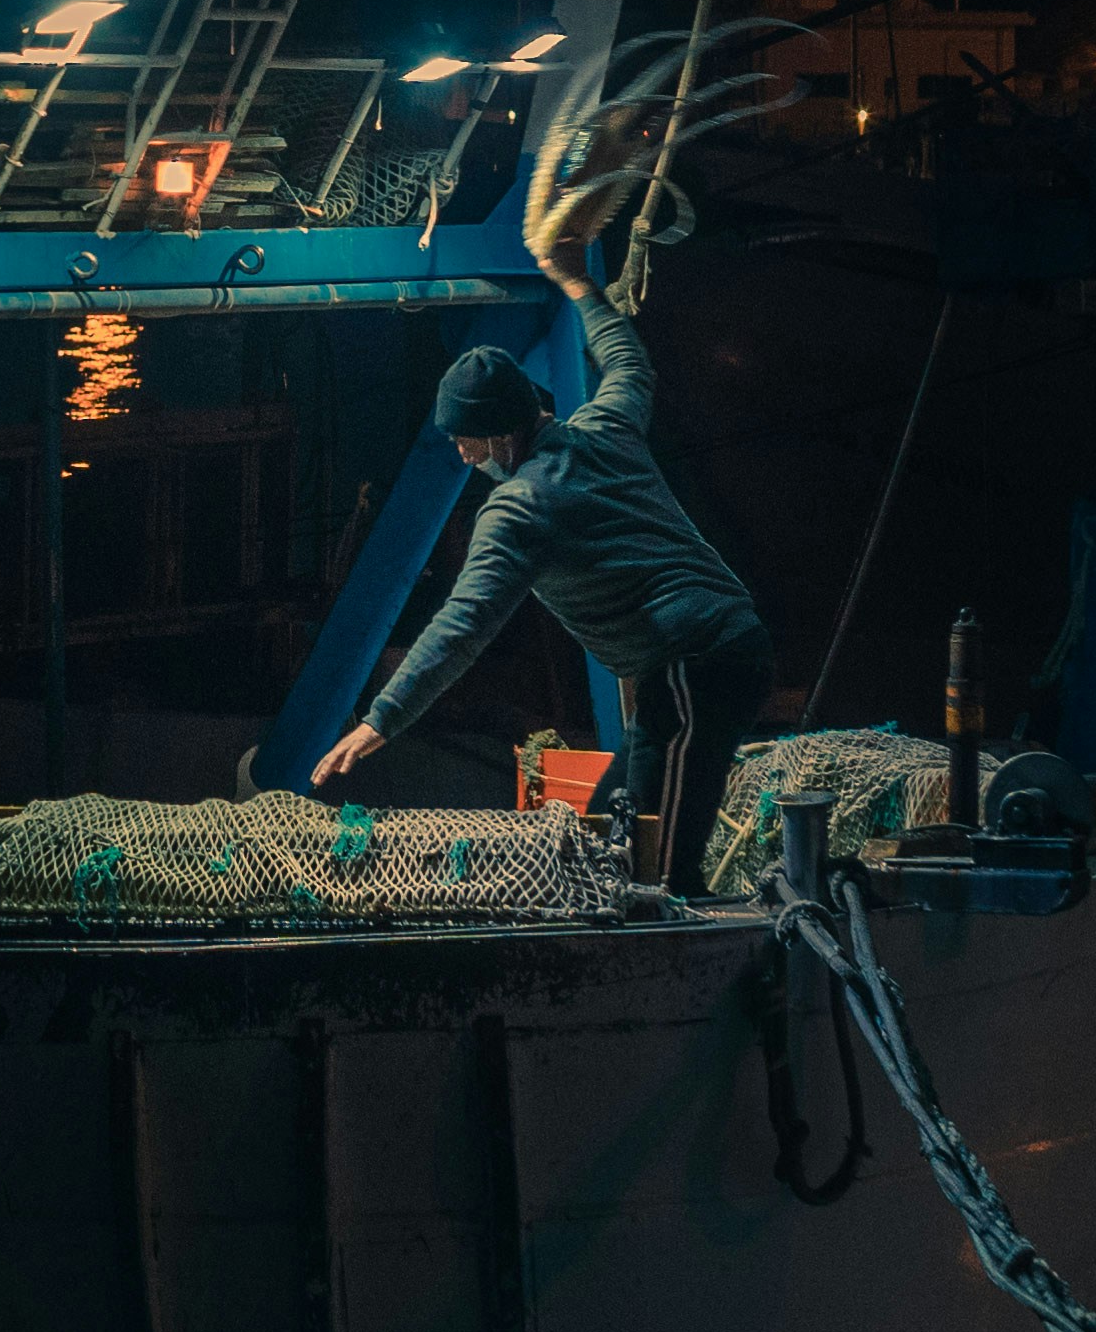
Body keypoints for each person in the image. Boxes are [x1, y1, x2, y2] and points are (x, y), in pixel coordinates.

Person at [313, 242, 772, 891]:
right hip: (710, 655)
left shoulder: (522, 507)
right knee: (617, 818)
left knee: (663, 861)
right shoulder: (602, 427)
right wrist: (580, 285)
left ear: (501, 433)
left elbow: (462, 625)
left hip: (699, 662)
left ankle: (692, 959)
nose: (464, 456)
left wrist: (381, 720)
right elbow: (629, 366)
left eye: (466, 441)